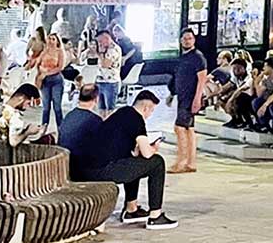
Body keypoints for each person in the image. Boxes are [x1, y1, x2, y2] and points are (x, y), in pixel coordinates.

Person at [80, 90, 177, 229]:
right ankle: (155, 216)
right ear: (146, 108)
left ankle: (131, 209)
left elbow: (133, 152)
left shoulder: (123, 112)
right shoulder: (137, 119)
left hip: (89, 168)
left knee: (134, 161)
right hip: (101, 170)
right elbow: (148, 154)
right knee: (157, 163)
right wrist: (154, 147)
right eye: (151, 111)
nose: (150, 115)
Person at [166, 28, 207, 174]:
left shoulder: (198, 57)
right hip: (182, 96)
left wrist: (197, 98)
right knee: (189, 129)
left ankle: (181, 162)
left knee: (180, 128)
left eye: (189, 38)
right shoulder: (182, 57)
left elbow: (202, 79)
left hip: (190, 98)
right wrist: (172, 94)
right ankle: (191, 162)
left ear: (194, 40)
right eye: (184, 38)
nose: (187, 41)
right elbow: (177, 76)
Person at [60, 83, 104, 179]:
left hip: (65, 164)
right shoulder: (94, 120)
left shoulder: (69, 116)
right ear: (96, 99)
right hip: (84, 169)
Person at [36, 31, 67, 131]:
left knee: (57, 106)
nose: (51, 41)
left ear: (57, 41)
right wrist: (41, 71)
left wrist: (47, 73)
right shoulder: (44, 51)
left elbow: (60, 67)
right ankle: (43, 128)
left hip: (56, 80)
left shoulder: (60, 52)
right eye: (49, 38)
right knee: (46, 107)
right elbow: (38, 63)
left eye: (53, 39)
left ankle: (60, 128)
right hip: (44, 80)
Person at [93, 29, 123, 114]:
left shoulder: (113, 49)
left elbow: (105, 64)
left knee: (110, 110)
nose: (100, 44)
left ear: (106, 38)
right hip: (100, 80)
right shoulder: (105, 49)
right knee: (101, 109)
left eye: (100, 41)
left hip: (110, 82)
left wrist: (101, 53)